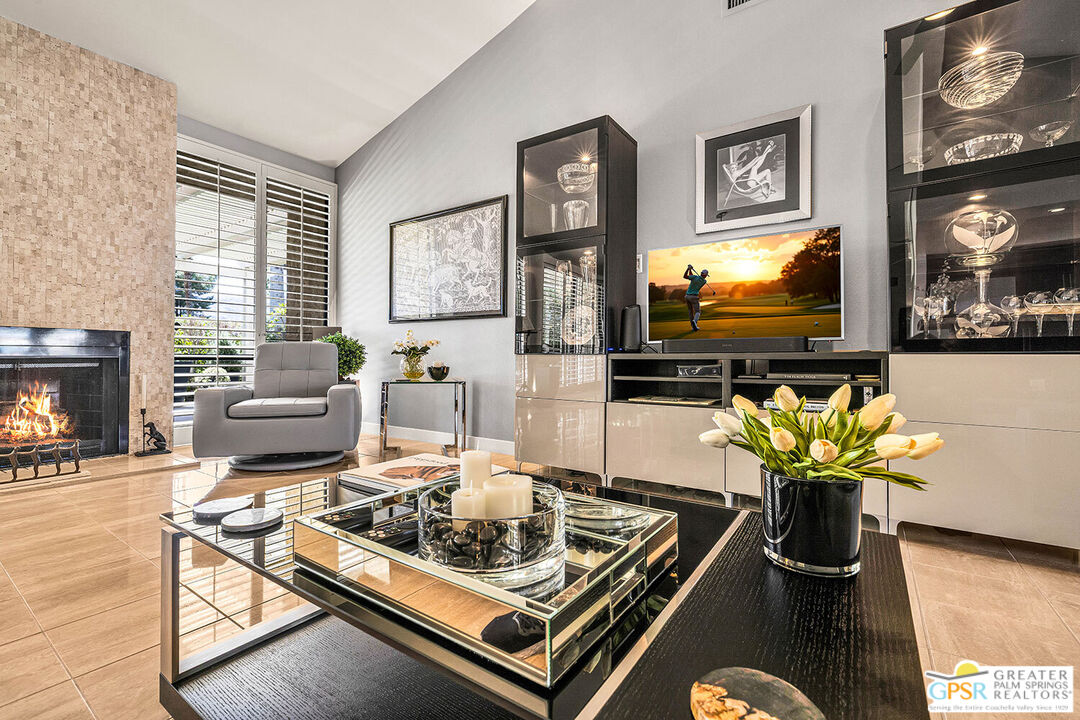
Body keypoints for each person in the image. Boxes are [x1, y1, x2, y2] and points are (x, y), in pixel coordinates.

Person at [683, 264, 714, 331]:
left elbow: (685, 276)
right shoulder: (704, 281)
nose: (706, 277)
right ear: (705, 275)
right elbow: (691, 276)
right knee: (698, 311)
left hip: (687, 296)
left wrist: (688, 269)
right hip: (694, 297)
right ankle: (695, 322)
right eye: (706, 276)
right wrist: (690, 269)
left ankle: (693, 327)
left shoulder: (694, 277)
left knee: (690, 312)